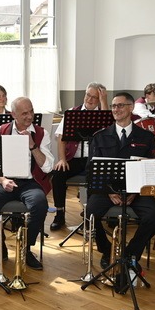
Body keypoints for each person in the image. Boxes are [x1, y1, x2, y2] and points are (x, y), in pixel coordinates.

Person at [86, 92, 155, 273]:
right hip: (107, 191)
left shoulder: (146, 137)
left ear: (131, 108)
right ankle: (106, 250)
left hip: (137, 191)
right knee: (90, 212)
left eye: (120, 105)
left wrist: (135, 192)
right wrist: (109, 192)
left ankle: (131, 254)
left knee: (154, 218)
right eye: (113, 106)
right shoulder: (100, 136)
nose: (116, 109)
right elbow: (91, 170)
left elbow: (151, 170)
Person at [0, 96, 53, 270]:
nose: (29, 117)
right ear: (13, 114)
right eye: (24, 113)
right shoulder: (1, 131)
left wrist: (32, 145)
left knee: (39, 204)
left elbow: (48, 167)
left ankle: (26, 248)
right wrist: (2, 179)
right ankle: (0, 247)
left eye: (32, 111)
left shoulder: (41, 133)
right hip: (5, 181)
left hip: (30, 182)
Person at [50, 82, 109, 231]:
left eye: (95, 97)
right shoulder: (72, 112)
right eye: (88, 95)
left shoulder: (104, 114)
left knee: (96, 176)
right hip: (74, 159)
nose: (89, 99)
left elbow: (109, 133)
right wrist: (62, 159)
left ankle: (91, 215)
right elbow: (61, 138)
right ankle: (59, 213)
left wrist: (104, 102)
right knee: (57, 174)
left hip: (94, 160)